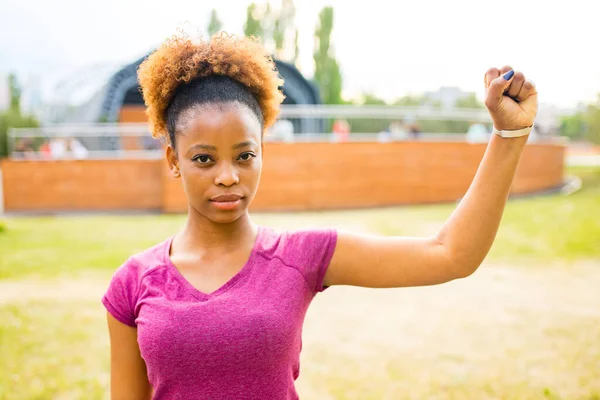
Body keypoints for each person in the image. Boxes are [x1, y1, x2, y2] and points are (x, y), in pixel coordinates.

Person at [102, 33, 537, 400]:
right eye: (203, 159)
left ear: (262, 153)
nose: (228, 176)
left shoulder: (299, 256)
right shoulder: (134, 282)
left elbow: (450, 254)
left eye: (244, 155)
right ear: (174, 159)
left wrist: (509, 134)